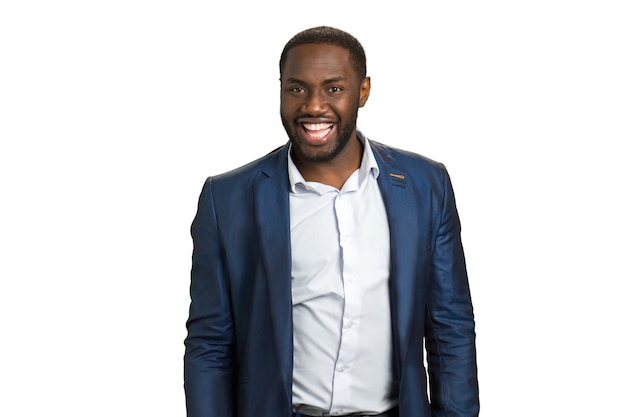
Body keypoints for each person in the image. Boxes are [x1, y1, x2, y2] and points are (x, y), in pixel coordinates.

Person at [184, 26, 479, 417]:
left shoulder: (425, 186)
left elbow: (450, 328)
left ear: (363, 91)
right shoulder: (228, 198)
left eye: (334, 89)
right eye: (297, 88)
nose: (314, 106)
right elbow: (209, 344)